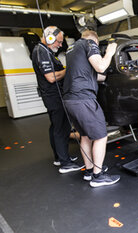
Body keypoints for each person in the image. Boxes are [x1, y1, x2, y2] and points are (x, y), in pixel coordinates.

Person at [63, 30, 119, 188]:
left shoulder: (72, 49)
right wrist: (109, 52)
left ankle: (89, 171)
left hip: (70, 99)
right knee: (101, 136)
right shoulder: (89, 44)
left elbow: (93, 74)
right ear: (94, 40)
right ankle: (98, 176)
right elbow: (101, 66)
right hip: (83, 99)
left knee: (85, 136)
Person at [32, 26, 82, 173]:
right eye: (58, 42)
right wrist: (70, 68)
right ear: (49, 38)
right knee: (61, 128)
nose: (60, 45)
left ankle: (60, 157)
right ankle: (65, 164)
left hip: (54, 95)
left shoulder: (45, 51)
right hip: (54, 96)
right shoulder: (41, 52)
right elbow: (51, 77)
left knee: (55, 127)